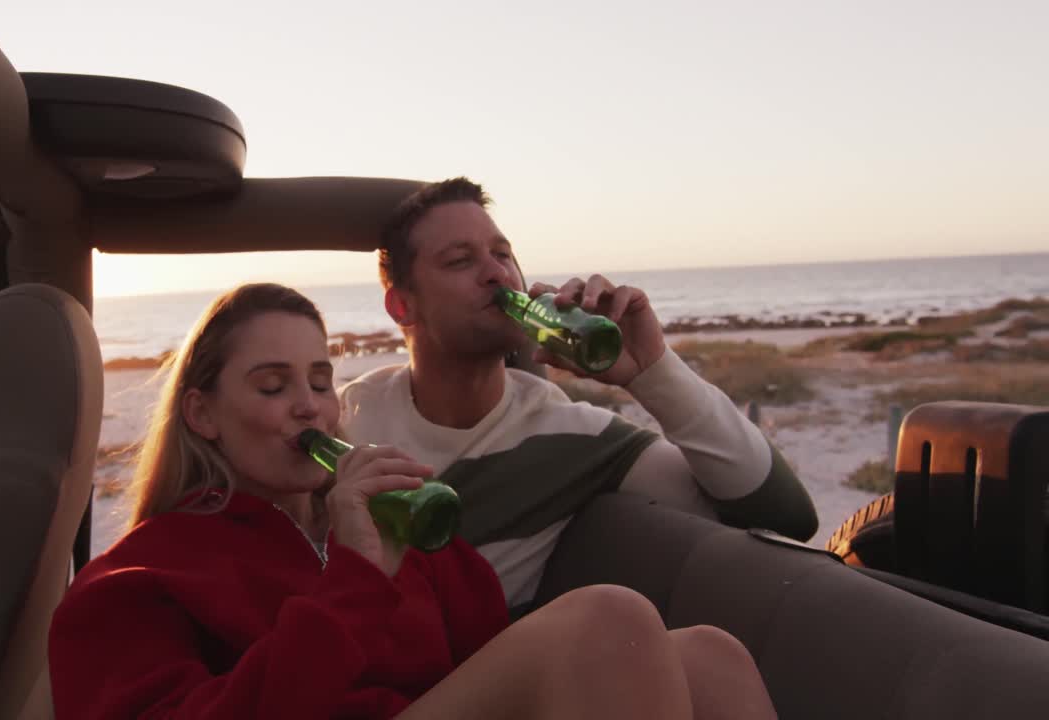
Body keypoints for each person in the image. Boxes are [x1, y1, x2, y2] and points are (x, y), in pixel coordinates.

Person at [47, 282, 777, 719]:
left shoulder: (382, 523)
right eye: (272, 386)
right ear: (202, 414)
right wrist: (356, 582)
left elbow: (489, 665)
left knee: (710, 658)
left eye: (321, 382)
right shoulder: (138, 579)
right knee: (606, 617)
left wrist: (428, 550)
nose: (309, 406)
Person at [339, 178, 818, 613]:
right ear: (401, 305)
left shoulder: (573, 436)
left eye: (502, 255)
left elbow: (784, 516)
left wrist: (653, 370)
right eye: (460, 260)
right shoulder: (345, 419)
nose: (497, 274)